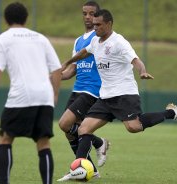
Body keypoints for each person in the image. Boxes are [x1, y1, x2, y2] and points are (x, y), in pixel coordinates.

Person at [62, 9, 177, 179]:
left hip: (124, 94)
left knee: (134, 127)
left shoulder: (119, 42)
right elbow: (85, 52)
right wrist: (69, 61)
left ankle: (172, 112)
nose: (95, 28)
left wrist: (143, 71)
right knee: (84, 129)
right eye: (94, 25)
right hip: (105, 96)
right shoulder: (95, 40)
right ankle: (79, 169)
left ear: (109, 24)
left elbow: (135, 60)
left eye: (99, 25)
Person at [0, 2, 61, 184]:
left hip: (21, 96)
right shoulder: (41, 38)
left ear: (5, 20)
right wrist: (54, 95)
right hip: (44, 96)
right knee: (43, 142)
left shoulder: (2, 40)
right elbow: (56, 70)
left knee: (5, 139)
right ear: (26, 19)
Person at [57, 1, 110, 182]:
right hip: (77, 89)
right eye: (84, 13)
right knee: (70, 131)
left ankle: (80, 165)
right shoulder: (78, 40)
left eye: (92, 14)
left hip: (92, 91)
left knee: (64, 123)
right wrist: (56, 76)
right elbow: (73, 69)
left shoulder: (99, 38)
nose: (87, 17)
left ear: (98, 16)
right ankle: (90, 169)